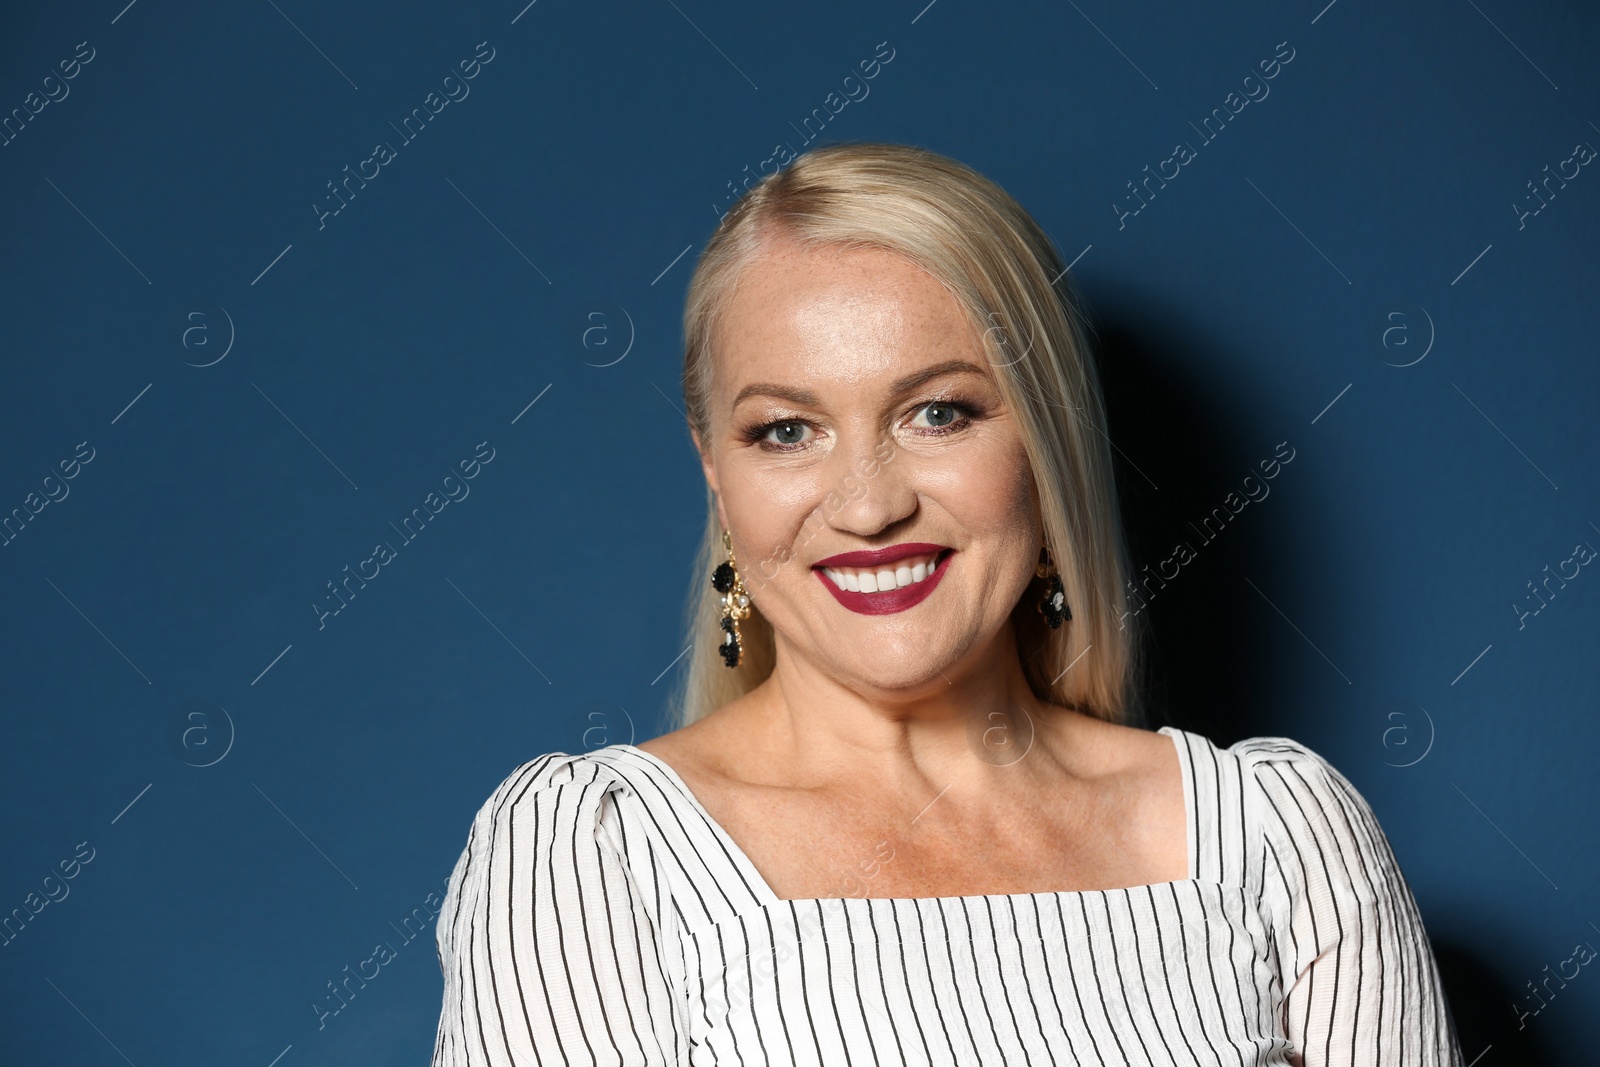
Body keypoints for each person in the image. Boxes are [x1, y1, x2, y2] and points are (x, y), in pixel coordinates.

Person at [429, 142, 1464, 1065]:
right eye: (786, 429)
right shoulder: (593, 853)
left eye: (938, 412)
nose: (869, 503)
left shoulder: (1280, 836)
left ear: (1046, 449)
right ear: (715, 470)